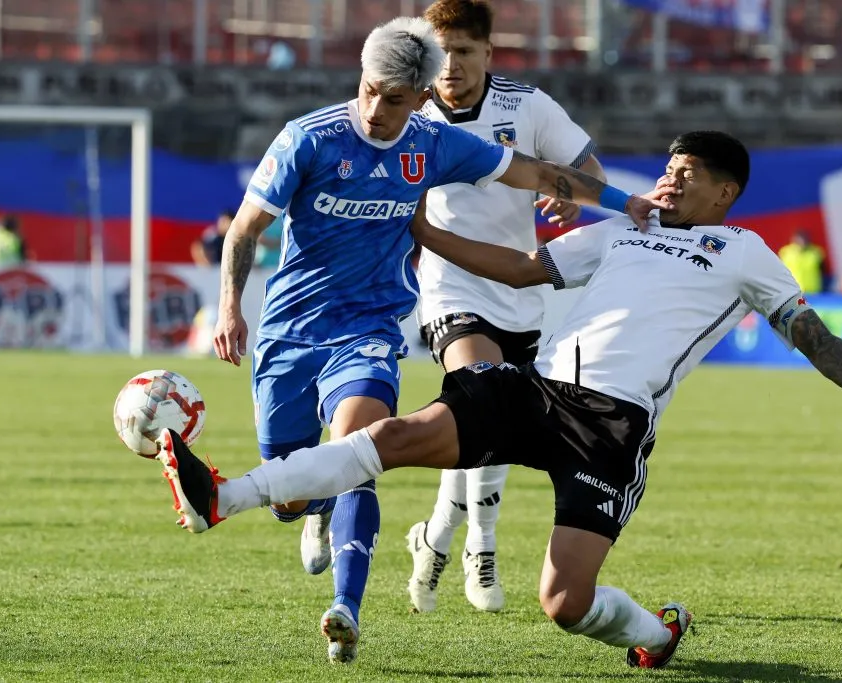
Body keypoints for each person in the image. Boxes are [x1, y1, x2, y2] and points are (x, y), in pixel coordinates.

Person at [148, 130, 842, 669]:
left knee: (564, 603)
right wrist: (422, 231)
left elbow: (806, 328)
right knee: (394, 437)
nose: (669, 178)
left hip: (611, 428)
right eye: (668, 166)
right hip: (534, 391)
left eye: (688, 172)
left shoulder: (744, 252)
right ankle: (225, 495)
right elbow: (523, 268)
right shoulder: (624, 231)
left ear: (725, 193)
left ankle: (656, 635)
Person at [206, 16, 665, 666]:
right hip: (292, 329)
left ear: (420, 99)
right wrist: (230, 306)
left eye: (393, 97)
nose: (374, 108)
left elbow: (536, 173)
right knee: (294, 494)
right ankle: (311, 501)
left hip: (370, 325)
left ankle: (349, 607)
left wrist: (625, 202)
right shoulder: (307, 139)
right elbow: (246, 228)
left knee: (363, 446)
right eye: (368, 89)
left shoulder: (439, 143)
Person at [407, 0, 608, 615]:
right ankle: (482, 548)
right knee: (485, 394)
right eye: (440, 55)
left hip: (522, 291)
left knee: (488, 422)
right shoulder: (408, 111)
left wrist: (572, 199)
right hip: (451, 287)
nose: (451, 67)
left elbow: (588, 171)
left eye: (464, 52)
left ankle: (436, 534)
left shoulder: (527, 106)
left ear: (488, 54)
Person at [778, 229, 825, 294]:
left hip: (814, 291)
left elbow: (823, 270)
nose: (801, 242)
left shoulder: (816, 252)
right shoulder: (785, 252)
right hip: (793, 291)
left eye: (804, 240)